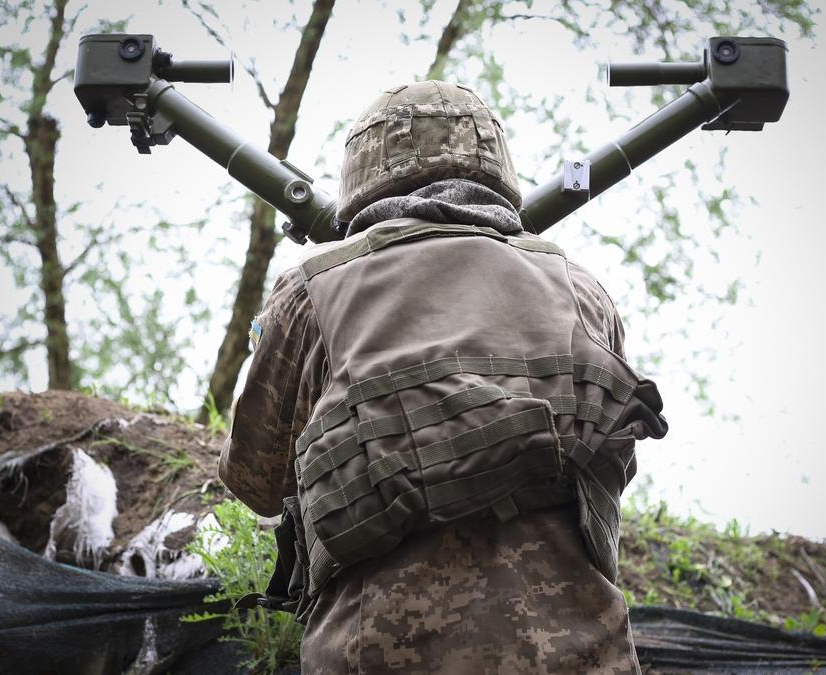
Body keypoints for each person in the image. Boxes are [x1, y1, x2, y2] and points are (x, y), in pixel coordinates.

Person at [220, 80, 668, 674]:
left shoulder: (311, 293)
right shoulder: (582, 293)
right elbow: (611, 469)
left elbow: (255, 479)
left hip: (376, 654)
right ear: (497, 171)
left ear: (363, 177)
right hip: (580, 653)